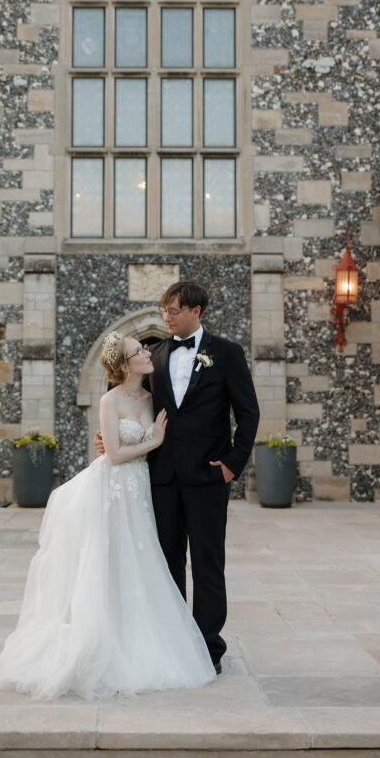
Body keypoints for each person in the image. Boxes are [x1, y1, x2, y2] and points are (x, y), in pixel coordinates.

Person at [0, 332, 216, 701]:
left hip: (141, 488)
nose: (146, 352)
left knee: (139, 561)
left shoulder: (154, 394)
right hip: (114, 486)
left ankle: (137, 636)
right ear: (124, 365)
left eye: (144, 349)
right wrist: (153, 441)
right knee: (107, 561)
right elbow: (111, 454)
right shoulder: (110, 400)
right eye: (139, 351)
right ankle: (100, 643)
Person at [99, 280, 260, 674]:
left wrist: (232, 464)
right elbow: (122, 394)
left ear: (196, 311)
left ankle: (208, 649)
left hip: (208, 477)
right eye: (164, 310)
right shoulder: (153, 355)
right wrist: (107, 436)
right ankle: (172, 644)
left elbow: (249, 413)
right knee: (167, 564)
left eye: (173, 311)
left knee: (208, 564)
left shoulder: (227, 353)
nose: (166, 317)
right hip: (162, 479)